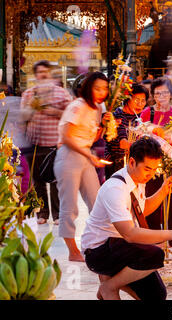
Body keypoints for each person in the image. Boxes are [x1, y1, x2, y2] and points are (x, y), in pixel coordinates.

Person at [81, 137, 172, 300]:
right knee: (155, 254)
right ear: (132, 162)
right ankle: (109, 287)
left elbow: (141, 209)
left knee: (157, 295)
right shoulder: (115, 188)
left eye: (154, 169)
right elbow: (130, 234)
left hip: (120, 245)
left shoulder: (137, 179)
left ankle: (110, 283)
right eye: (147, 169)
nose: (151, 174)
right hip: (98, 250)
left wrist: (163, 190)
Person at [54, 71, 112, 262]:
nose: (101, 92)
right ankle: (73, 251)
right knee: (69, 206)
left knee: (97, 201)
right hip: (69, 155)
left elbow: (91, 137)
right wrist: (89, 155)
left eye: (104, 88)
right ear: (88, 87)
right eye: (97, 88)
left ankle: (98, 243)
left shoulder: (97, 108)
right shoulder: (77, 105)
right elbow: (67, 136)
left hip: (86, 156)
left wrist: (104, 125)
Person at [20, 60, 73, 225]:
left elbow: (72, 113)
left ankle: (58, 215)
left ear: (49, 74)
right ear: (35, 76)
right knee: (38, 181)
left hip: (56, 144)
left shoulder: (61, 93)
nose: (42, 75)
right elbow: (22, 118)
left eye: (45, 72)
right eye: (39, 72)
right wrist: (30, 108)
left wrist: (55, 111)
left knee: (57, 180)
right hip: (34, 143)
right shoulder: (29, 94)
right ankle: (42, 214)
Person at [140, 78, 172, 230]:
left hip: (171, 163)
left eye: (165, 92)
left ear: (171, 94)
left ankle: (171, 235)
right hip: (151, 165)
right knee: (153, 199)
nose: (161, 96)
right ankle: (154, 237)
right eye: (157, 93)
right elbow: (138, 136)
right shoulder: (147, 113)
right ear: (153, 96)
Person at [105, 84, 149, 179]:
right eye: (136, 100)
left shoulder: (142, 116)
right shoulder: (117, 115)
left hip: (134, 164)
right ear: (127, 99)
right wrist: (144, 146)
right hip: (117, 164)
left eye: (143, 100)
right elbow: (123, 143)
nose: (140, 104)